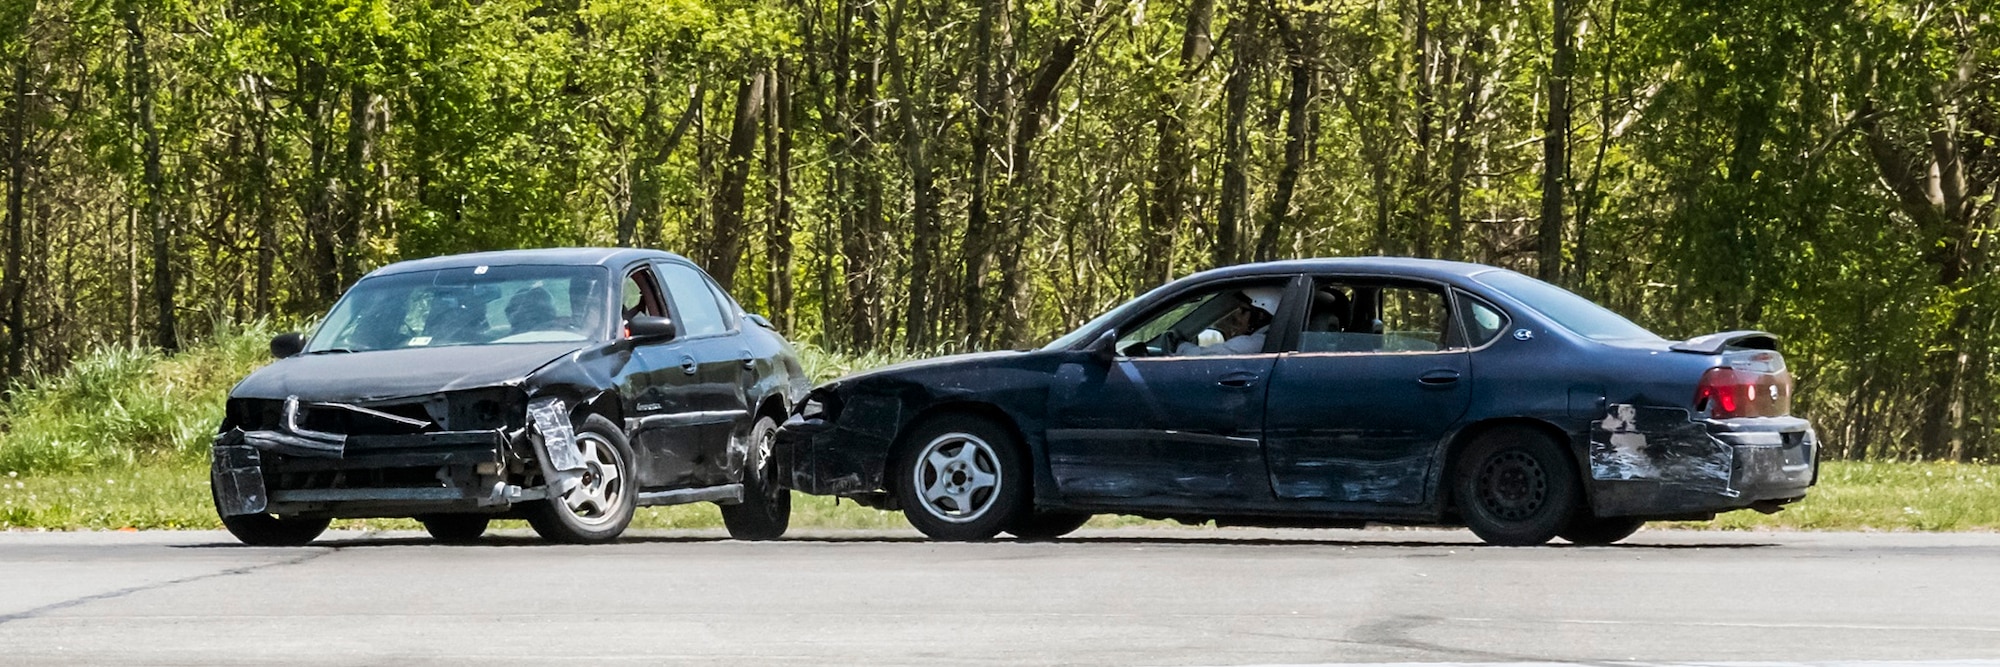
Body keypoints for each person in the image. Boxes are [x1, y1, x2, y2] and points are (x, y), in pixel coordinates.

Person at [1176, 287, 1281, 356]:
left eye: (1243, 311)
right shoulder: (1272, 339)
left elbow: (1204, 356)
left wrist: (1178, 346)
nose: (1237, 316)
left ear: (1260, 316)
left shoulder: (1255, 343)